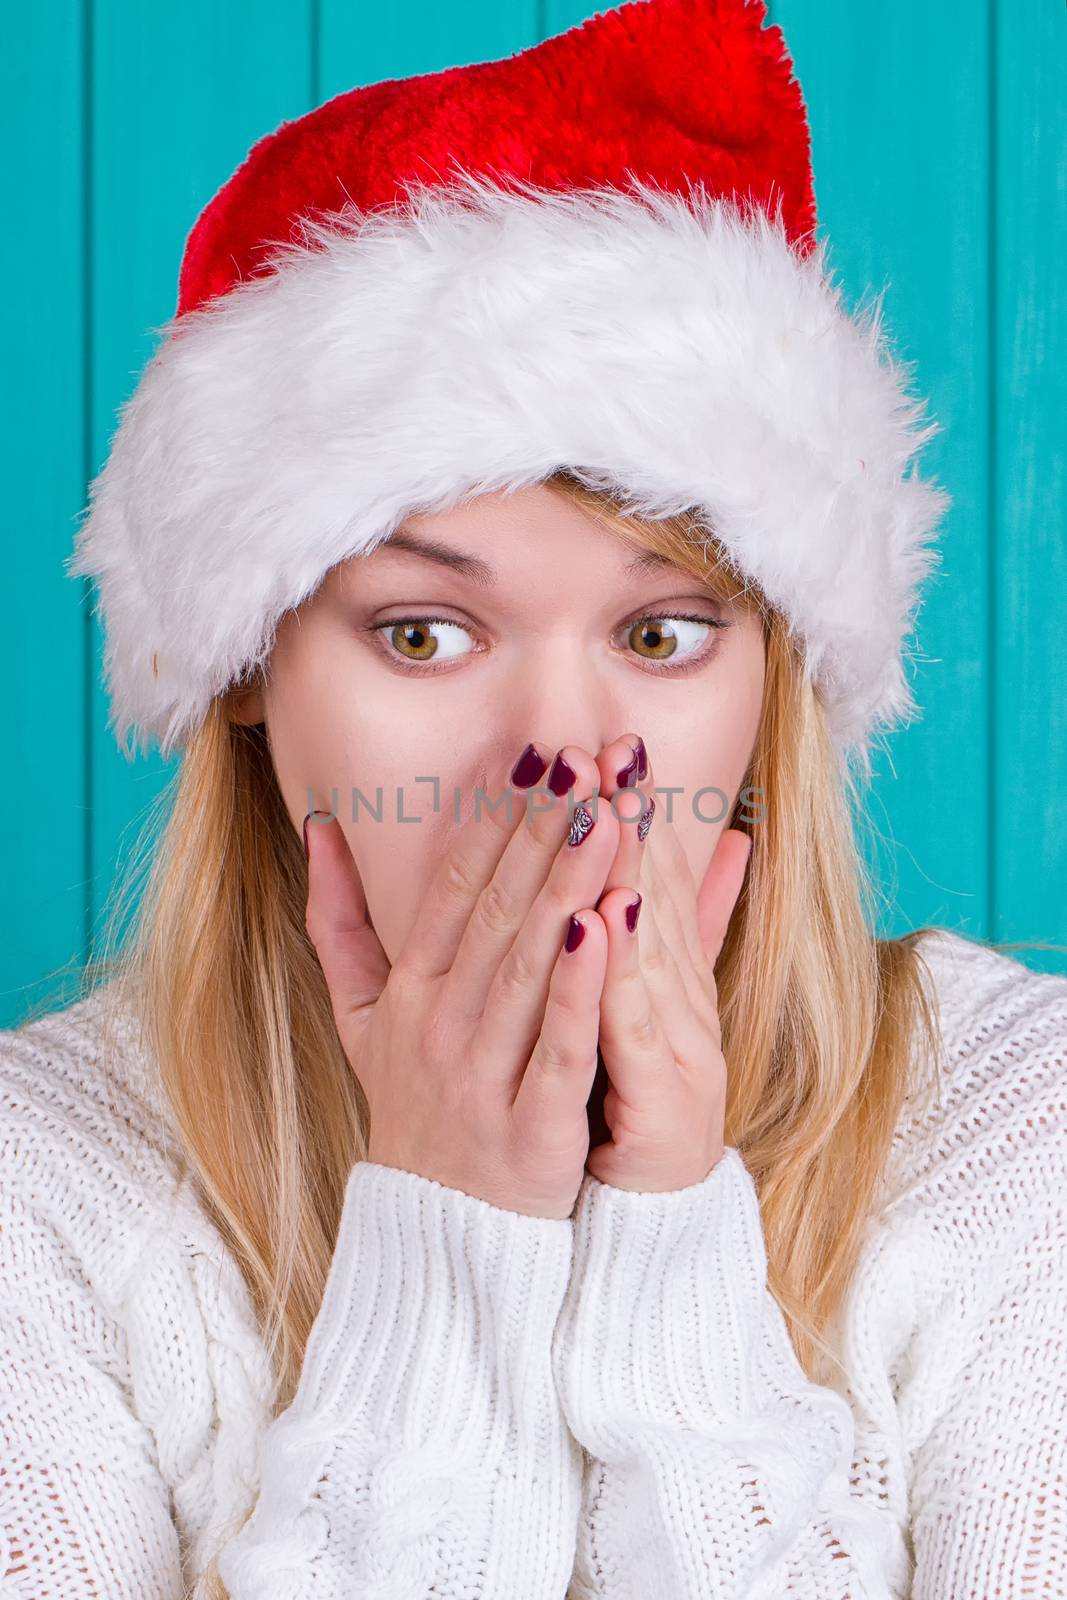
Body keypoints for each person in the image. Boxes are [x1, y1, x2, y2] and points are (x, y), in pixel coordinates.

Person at [2, 0, 1065, 1595]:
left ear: (775, 677)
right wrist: (446, 1239)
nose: (563, 758)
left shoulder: (1014, 1129)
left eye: (662, 631)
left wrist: (675, 1260)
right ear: (240, 659)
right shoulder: (41, 1188)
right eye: (425, 631)